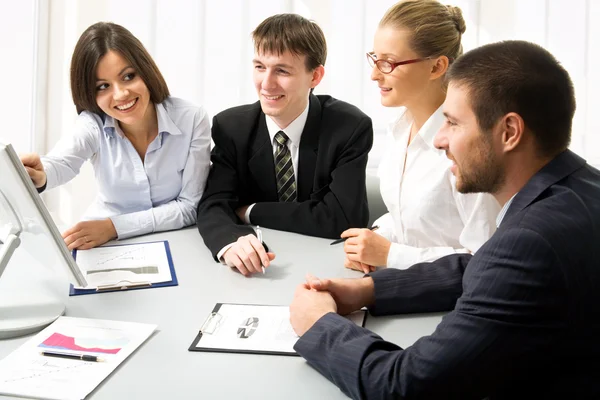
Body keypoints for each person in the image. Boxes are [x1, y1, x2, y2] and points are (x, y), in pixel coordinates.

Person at [290, 40, 600, 399]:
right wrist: (371, 291)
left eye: (452, 122)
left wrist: (318, 324)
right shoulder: (579, 186)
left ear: (510, 132)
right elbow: (483, 269)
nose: (439, 139)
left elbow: (403, 385)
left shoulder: (531, 242)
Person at [196, 14, 373, 276]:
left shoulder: (349, 127)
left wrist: (250, 211)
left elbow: (343, 219)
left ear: (315, 76)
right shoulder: (231, 127)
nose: (266, 84)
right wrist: (231, 242)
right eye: (259, 67)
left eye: (282, 70)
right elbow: (214, 204)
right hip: (264, 270)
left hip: (327, 265)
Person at [21, 22, 211, 250]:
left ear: (145, 71)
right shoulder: (93, 124)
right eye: (103, 86)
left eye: (129, 76)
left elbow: (190, 206)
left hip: (173, 239)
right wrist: (41, 175)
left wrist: (114, 227)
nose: (121, 94)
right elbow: (62, 162)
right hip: (103, 243)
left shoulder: (192, 119)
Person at [340, 0, 499, 273]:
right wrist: (376, 236)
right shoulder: (400, 131)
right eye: (374, 59)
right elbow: (410, 219)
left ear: (436, 67)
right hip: (400, 287)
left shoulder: (470, 148)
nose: (374, 74)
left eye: (388, 62)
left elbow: (485, 259)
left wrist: (391, 255)